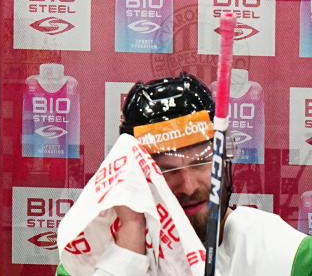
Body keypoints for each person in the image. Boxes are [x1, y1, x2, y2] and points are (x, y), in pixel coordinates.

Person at [56, 73, 312, 275]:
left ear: (225, 161)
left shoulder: (290, 257)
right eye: (166, 170)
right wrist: (128, 254)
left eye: (201, 162)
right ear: (132, 175)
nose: (188, 186)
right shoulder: (89, 258)